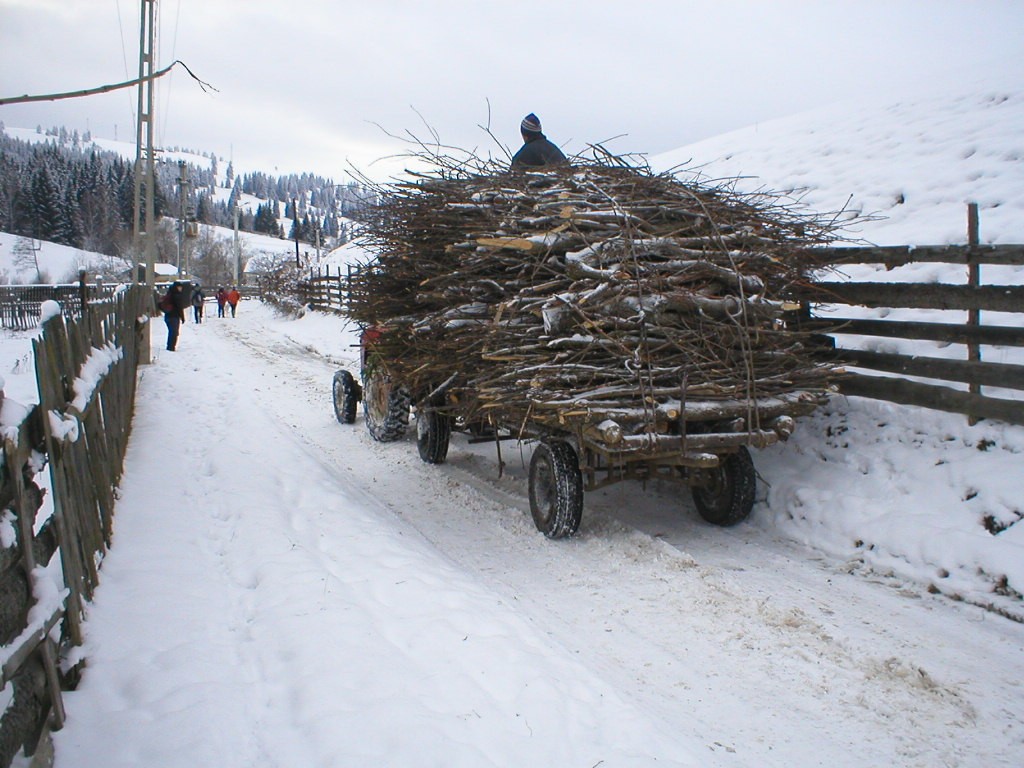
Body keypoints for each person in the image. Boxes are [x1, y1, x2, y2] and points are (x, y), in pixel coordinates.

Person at [159, 282, 187, 351]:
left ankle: (169, 346)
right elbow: (179, 307)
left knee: (171, 332)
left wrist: (166, 311)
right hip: (174, 316)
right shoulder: (176, 295)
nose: (181, 289)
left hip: (168, 316)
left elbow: (160, 304)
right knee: (174, 333)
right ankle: (171, 347)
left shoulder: (169, 294)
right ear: (177, 287)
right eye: (180, 287)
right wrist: (182, 317)